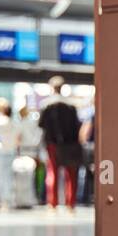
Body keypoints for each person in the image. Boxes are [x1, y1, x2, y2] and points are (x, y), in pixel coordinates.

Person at [39, 77, 82, 209]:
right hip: (70, 144)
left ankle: (53, 203)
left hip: (53, 144)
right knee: (71, 174)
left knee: (53, 172)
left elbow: (41, 125)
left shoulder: (46, 105)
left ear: (52, 88)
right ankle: (71, 203)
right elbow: (76, 126)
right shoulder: (71, 105)